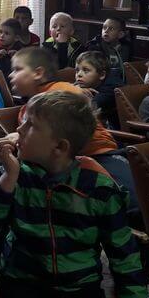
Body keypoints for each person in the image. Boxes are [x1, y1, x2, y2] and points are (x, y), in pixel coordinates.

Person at [0, 91, 149, 298]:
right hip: (26, 291)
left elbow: (123, 253)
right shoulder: (18, 176)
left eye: (30, 124)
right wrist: (8, 178)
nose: (18, 129)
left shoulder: (99, 187)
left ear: (60, 146)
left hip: (83, 291)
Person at [8, 47, 139, 214]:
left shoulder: (61, 90)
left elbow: (72, 132)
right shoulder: (24, 111)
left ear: (38, 73)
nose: (10, 75)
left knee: (130, 206)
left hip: (98, 154)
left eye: (17, 69)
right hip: (64, 165)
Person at [84, 17, 131, 127]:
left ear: (120, 34)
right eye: (104, 28)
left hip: (119, 84)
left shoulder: (126, 47)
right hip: (101, 84)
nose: (106, 31)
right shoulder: (94, 46)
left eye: (111, 29)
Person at [74, 51, 112, 126]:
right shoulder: (81, 85)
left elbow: (83, 110)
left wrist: (76, 92)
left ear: (102, 75)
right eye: (77, 70)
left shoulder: (110, 89)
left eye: (86, 70)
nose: (79, 74)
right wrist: (75, 90)